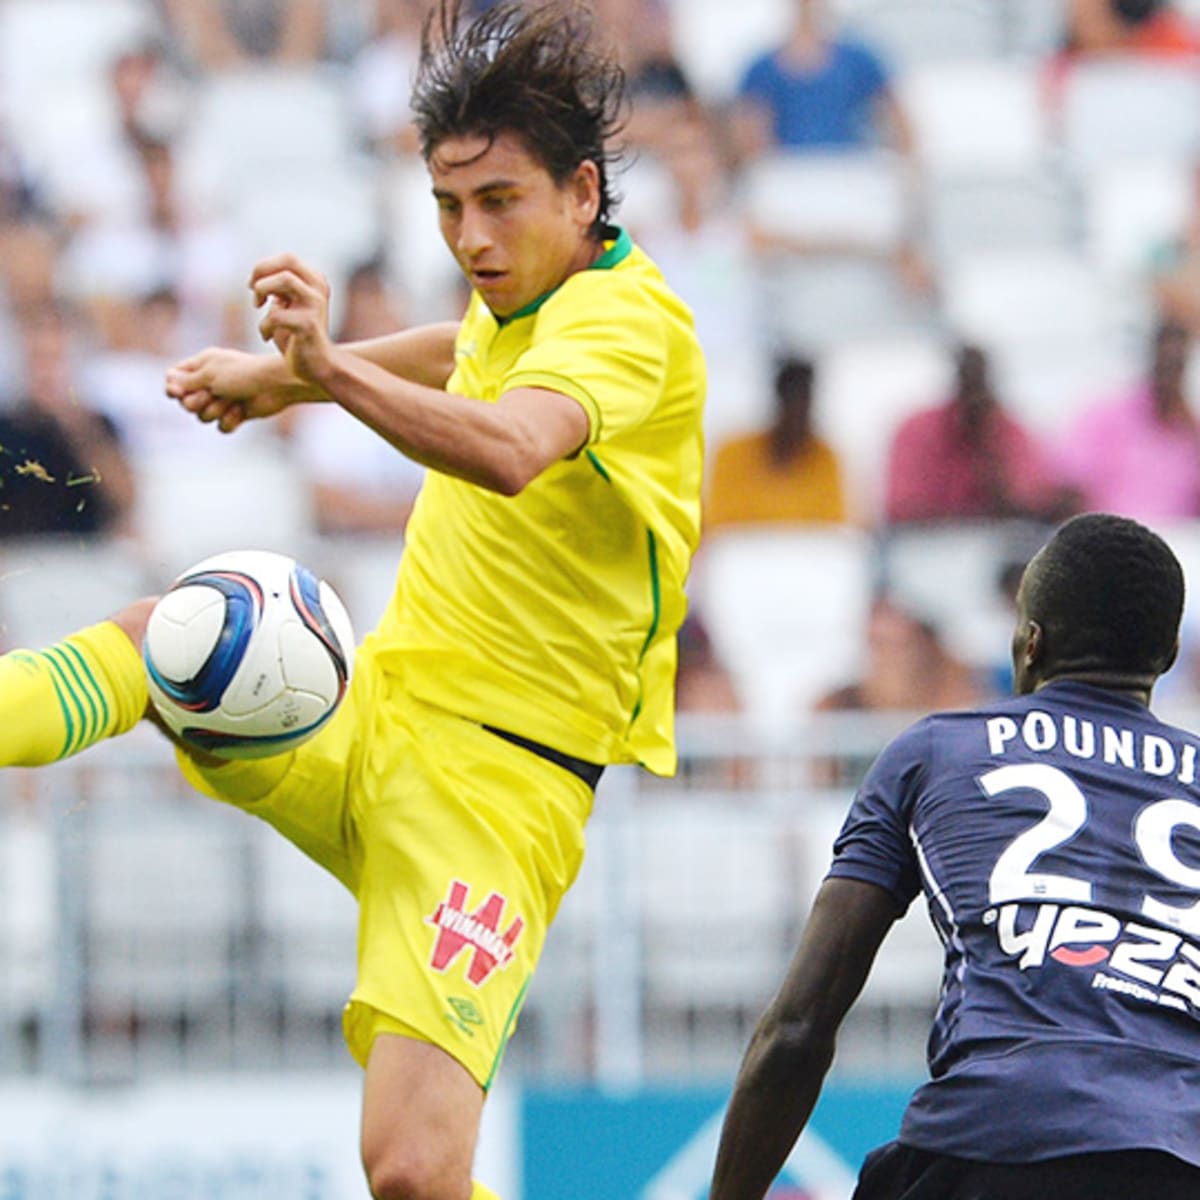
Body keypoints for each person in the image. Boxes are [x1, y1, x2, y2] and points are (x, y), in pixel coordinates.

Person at [0, 4, 705, 1199]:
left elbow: (511, 444)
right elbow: (465, 345)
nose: (470, 237)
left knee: (414, 1176)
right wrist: (281, 384)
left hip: (497, 790)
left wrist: (323, 369)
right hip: (371, 707)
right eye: (447, 205)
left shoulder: (634, 327)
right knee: (174, 633)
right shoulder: (522, 298)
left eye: (499, 203)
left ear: (584, 192)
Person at [710, 512, 1200, 1199]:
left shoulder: (936, 751)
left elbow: (798, 1026)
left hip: (993, 1142)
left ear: (1030, 644)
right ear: (1169, 651)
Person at [884, 343, 1075, 525]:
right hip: (930, 546)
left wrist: (991, 458)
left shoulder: (1008, 432)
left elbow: (1033, 497)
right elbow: (903, 507)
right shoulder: (918, 431)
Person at [728, 0, 915, 164]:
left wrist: (907, 168)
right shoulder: (761, 69)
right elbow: (748, 134)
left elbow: (899, 119)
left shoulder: (860, 60)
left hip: (850, 170)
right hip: (788, 171)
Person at [1056, 319, 1200, 521]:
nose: (1170, 374)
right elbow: (1071, 488)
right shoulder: (1103, 416)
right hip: (1109, 537)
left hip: (1180, 543)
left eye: (1177, 364)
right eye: (1165, 363)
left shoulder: (1189, 432)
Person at [705, 355, 846, 531]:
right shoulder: (732, 454)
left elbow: (834, 527)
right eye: (791, 402)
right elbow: (720, 523)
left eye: (804, 402)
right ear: (778, 401)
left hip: (808, 556)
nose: (797, 413)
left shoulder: (825, 458)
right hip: (743, 556)